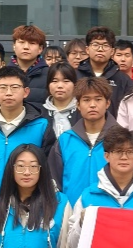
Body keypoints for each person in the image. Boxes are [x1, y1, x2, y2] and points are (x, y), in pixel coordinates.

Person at [0, 66, 56, 201]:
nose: (8, 93)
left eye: (14, 87)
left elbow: (48, 167)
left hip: (27, 202)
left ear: (26, 92)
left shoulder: (41, 126)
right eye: (3, 88)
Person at [48, 78, 114, 208]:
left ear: (107, 103)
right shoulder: (65, 140)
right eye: (86, 100)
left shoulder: (121, 139)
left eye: (98, 99)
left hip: (108, 213)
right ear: (78, 105)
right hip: (71, 212)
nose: (92, 105)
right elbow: (54, 182)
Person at [77, 27, 133, 117]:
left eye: (105, 45)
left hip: (113, 125)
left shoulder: (124, 80)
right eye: (95, 44)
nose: (100, 49)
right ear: (87, 49)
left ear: (112, 51)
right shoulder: (75, 76)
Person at [11, 25, 50, 105]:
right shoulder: (3, 74)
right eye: (21, 42)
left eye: (32, 43)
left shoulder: (50, 75)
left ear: (40, 49)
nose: (26, 47)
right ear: (14, 46)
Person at [43, 62, 78, 137]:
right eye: (54, 81)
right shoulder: (39, 113)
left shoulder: (83, 112)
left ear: (74, 85)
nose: (60, 86)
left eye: (66, 81)